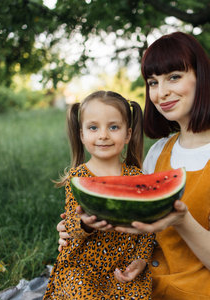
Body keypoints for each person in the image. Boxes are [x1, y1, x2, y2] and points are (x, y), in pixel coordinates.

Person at [57, 32, 210, 299]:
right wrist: (77, 228)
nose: (161, 92)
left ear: (202, 78)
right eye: (153, 82)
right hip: (139, 282)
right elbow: (135, 224)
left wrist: (181, 220)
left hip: (196, 289)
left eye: (174, 77)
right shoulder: (159, 151)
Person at [44, 91, 155, 299]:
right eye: (93, 127)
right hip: (82, 267)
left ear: (128, 134)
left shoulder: (137, 178)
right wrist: (85, 224)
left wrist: (141, 260)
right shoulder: (77, 179)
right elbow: (70, 228)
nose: (103, 135)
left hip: (123, 268)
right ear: (82, 135)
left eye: (113, 127)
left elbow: (147, 228)